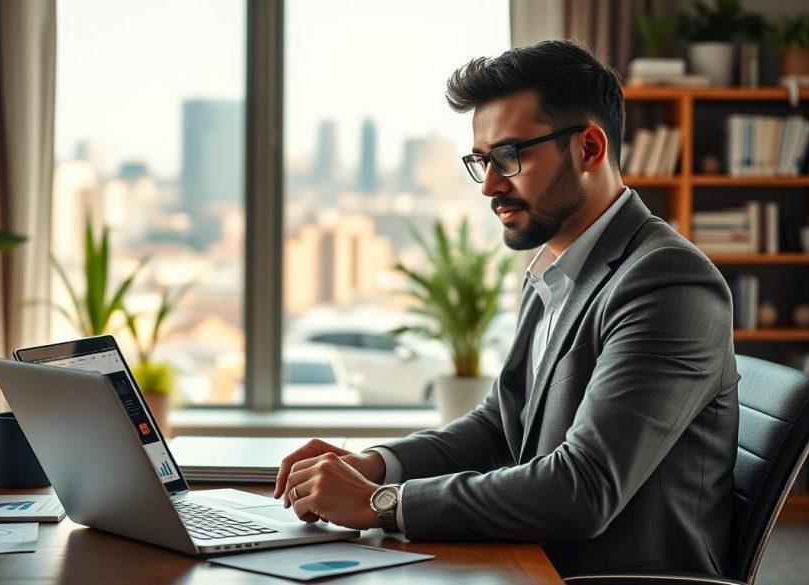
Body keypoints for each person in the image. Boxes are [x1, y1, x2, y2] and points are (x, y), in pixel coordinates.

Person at [273, 40, 738, 578]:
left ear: (589, 148)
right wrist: (376, 466)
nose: (492, 185)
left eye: (510, 156)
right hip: (531, 558)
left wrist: (383, 503)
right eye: (481, 161)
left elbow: (583, 490)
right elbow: (501, 425)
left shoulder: (667, 283)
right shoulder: (555, 267)